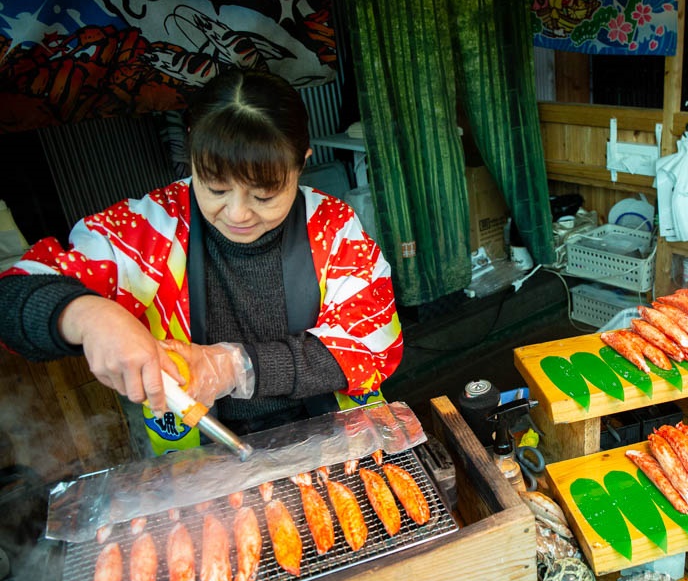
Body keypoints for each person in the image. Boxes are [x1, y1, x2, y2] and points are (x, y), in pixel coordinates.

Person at [0, 68, 403, 454]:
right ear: (192, 152)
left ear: (301, 163)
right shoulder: (149, 229)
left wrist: (234, 367)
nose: (238, 213)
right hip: (202, 454)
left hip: (333, 433)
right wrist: (87, 315)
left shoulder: (334, 227)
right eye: (215, 188)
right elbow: (12, 295)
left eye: (263, 195)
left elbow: (374, 344)